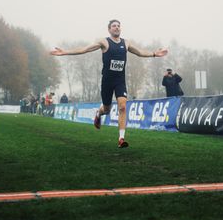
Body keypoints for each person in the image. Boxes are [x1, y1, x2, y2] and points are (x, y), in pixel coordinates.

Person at [50, 19, 168, 148]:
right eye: (114, 26)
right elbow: (84, 49)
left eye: (118, 26)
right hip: (107, 81)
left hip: (119, 81)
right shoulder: (104, 42)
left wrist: (154, 54)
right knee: (106, 109)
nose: (116, 28)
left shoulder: (126, 43)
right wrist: (65, 52)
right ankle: (98, 113)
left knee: (122, 107)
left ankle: (121, 139)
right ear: (109, 29)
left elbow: (140, 52)